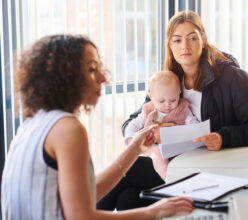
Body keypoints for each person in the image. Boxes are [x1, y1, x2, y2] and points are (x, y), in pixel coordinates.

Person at [1, 35, 194, 220]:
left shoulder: (33, 124)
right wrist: (154, 211)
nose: (103, 77)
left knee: (129, 197)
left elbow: (86, 194)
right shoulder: (68, 129)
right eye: (92, 69)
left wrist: (135, 148)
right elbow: (81, 217)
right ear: (66, 77)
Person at [99, 10, 248, 210]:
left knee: (128, 170)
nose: (184, 46)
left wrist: (222, 137)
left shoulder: (233, 79)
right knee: (129, 199)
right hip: (176, 166)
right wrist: (150, 133)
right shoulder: (170, 80)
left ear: (203, 39)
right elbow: (135, 119)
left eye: (192, 38)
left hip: (211, 171)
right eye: (177, 40)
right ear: (169, 45)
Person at [124, 70, 199, 180]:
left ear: (179, 92)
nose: (168, 105)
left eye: (173, 100)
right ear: (151, 96)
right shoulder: (148, 110)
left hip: (178, 148)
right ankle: (166, 176)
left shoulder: (183, 108)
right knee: (156, 152)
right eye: (161, 101)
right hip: (155, 147)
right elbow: (132, 125)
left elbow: (194, 126)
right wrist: (131, 140)